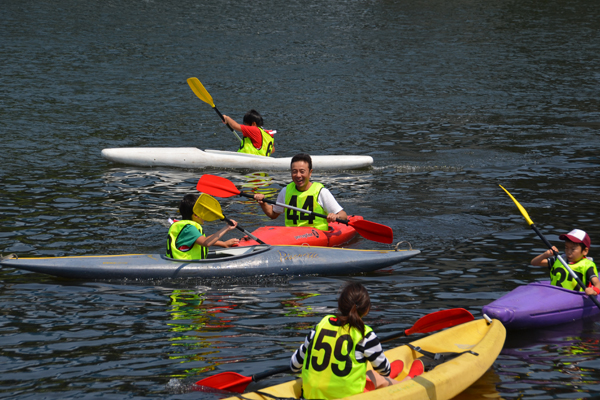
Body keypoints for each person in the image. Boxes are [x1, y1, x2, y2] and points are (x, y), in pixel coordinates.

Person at [290, 282, 421, 399]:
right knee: (378, 376)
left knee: (369, 373)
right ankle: (408, 381)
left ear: (340, 305)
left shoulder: (320, 325)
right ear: (367, 309)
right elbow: (385, 370)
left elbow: (294, 366)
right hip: (347, 397)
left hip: (310, 396)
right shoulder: (365, 334)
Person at [253, 153, 348, 231]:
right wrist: (263, 202)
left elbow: (343, 216)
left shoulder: (321, 192)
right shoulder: (285, 191)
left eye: (302, 171)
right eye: (294, 171)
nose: (298, 175)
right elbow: (273, 214)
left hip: (317, 236)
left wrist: (335, 216)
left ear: (310, 173)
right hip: (291, 235)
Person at [166, 194, 239, 260]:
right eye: (202, 212)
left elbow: (201, 240)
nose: (204, 215)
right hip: (186, 266)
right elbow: (206, 242)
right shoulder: (189, 229)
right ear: (195, 215)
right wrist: (226, 228)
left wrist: (223, 244)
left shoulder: (184, 226)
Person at [531, 229, 599, 296]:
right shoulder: (560, 260)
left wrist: (593, 291)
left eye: (573, 249)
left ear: (585, 251)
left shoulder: (587, 266)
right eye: (566, 248)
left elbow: (597, 284)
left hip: (574, 299)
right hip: (553, 296)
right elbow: (534, 263)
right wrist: (545, 255)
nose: (568, 252)